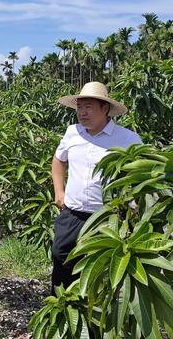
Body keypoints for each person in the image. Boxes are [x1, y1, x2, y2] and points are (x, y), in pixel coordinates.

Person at [51, 81, 142, 292]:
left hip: (106, 218)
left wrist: (135, 204)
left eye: (88, 107)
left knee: (100, 269)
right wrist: (59, 191)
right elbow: (58, 159)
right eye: (79, 107)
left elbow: (142, 173)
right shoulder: (72, 132)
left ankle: (94, 318)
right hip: (71, 215)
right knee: (61, 257)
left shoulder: (128, 139)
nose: (82, 112)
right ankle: (64, 310)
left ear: (105, 108)